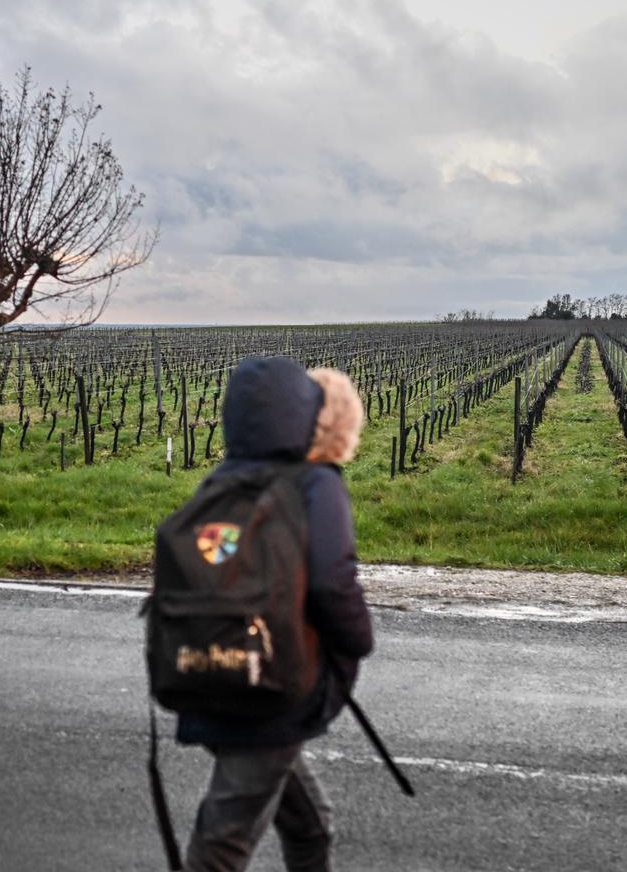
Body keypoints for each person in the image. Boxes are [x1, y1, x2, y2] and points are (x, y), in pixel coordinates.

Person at [178, 356, 373, 872]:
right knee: (224, 840)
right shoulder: (314, 484)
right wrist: (359, 640)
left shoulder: (222, 480)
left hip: (211, 670)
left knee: (311, 825)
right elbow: (333, 581)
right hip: (270, 689)